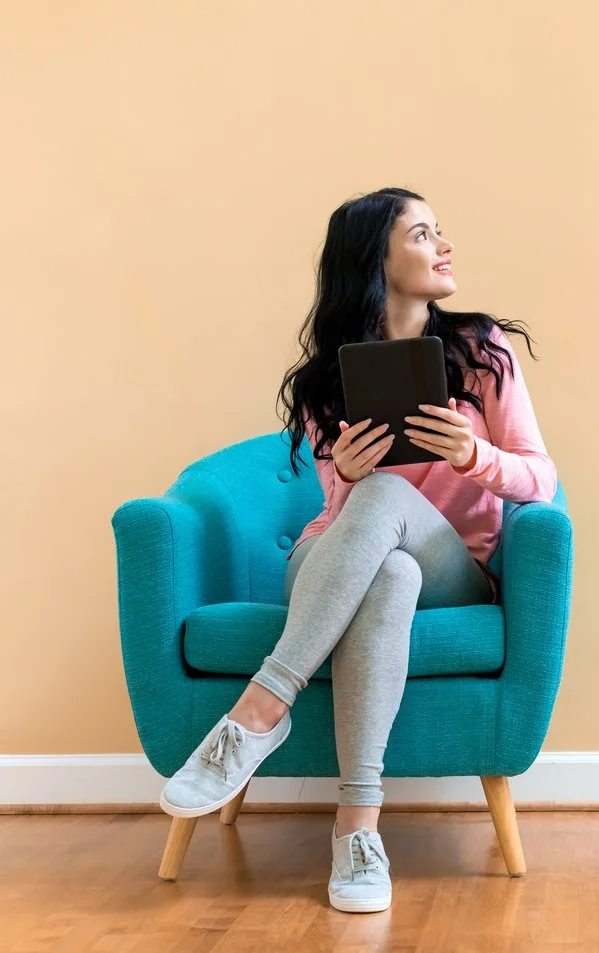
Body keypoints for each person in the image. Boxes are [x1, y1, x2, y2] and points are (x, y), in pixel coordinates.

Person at [155, 187, 558, 913]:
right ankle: (357, 829)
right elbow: (337, 518)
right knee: (387, 567)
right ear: (377, 258)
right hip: (339, 557)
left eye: (441, 232)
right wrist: (344, 472)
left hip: (455, 568)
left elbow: (541, 476)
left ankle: (257, 711)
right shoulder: (327, 379)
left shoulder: (482, 350)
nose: (445, 246)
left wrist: (474, 455)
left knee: (392, 518)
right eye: (424, 234)